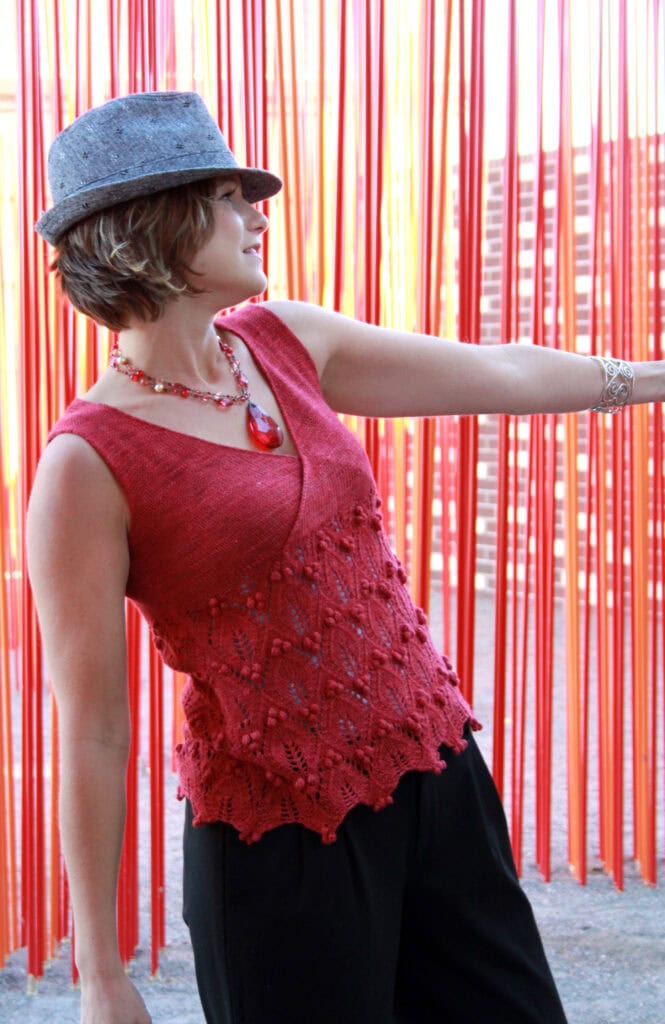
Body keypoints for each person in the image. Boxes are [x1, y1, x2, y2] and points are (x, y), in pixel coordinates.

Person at [26, 91, 657, 1024]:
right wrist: (100, 974)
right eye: (228, 195)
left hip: (434, 774)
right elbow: (92, 730)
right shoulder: (85, 464)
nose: (257, 212)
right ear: (146, 226)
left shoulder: (287, 344)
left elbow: (500, 370)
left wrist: (650, 379)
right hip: (280, 842)